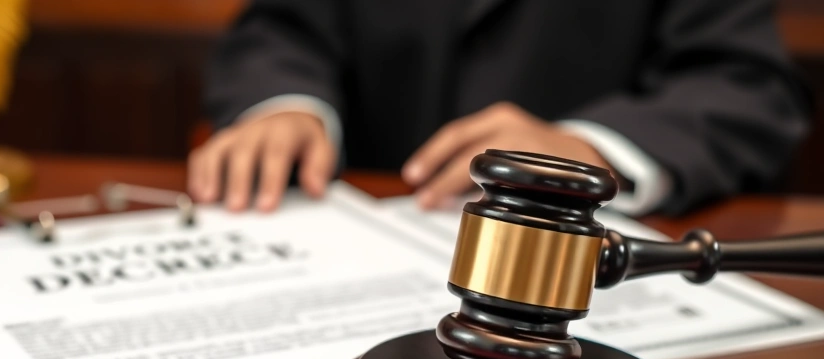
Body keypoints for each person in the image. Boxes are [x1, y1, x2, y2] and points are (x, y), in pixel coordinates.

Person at [189, 0, 810, 215]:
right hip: (364, 222)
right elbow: (283, 28)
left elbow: (744, 82)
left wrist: (594, 148)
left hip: (587, 278)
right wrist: (284, 103)